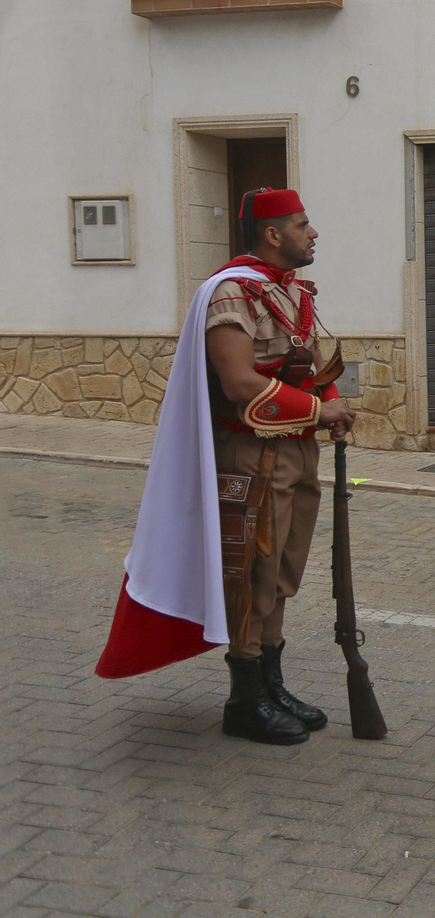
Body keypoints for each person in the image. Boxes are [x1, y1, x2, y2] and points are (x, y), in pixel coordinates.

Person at [96, 188, 355, 746]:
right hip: (252, 454)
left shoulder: (290, 293)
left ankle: (271, 682)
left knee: (282, 574)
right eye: (302, 225)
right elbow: (240, 382)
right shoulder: (233, 292)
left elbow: (303, 364)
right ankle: (244, 700)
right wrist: (319, 408)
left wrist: (329, 404)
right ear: (272, 234)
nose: (313, 235)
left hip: (296, 450)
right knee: (251, 575)